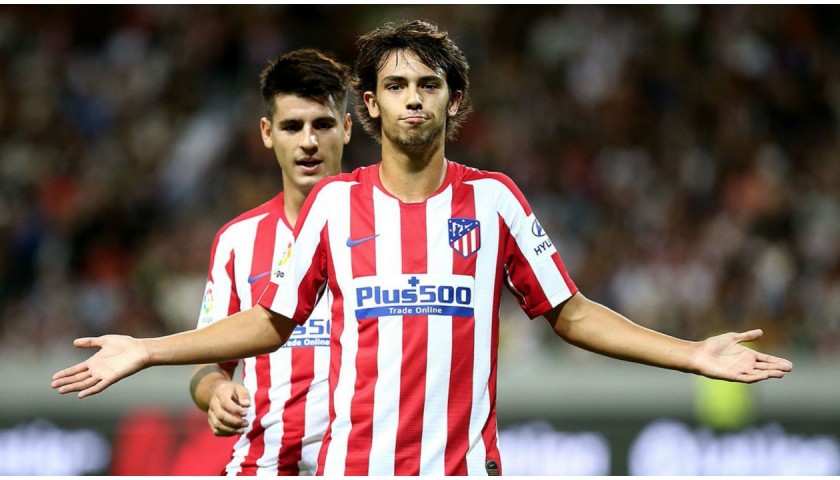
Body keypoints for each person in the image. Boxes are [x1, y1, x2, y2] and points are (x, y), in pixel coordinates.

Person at [52, 20, 793, 476]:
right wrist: (150, 350)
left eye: (429, 84)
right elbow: (270, 322)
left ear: (453, 101)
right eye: (396, 84)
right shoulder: (338, 206)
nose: (414, 97)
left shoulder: (495, 199)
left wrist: (692, 354)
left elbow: (570, 313)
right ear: (368, 106)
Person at [189, 48, 352, 475]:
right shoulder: (237, 241)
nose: (308, 142)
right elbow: (208, 366)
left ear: (348, 128)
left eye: (323, 125)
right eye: (292, 126)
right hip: (261, 467)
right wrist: (216, 392)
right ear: (267, 132)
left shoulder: (388, 229)